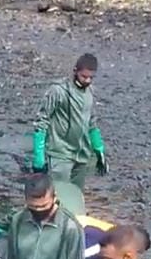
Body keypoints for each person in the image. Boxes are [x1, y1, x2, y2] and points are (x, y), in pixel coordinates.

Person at [29, 54, 107, 212]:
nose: (87, 81)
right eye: (84, 76)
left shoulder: (90, 93)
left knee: (76, 198)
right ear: (75, 71)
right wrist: (39, 156)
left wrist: (99, 150)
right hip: (60, 153)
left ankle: (75, 229)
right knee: (58, 196)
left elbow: (92, 123)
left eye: (91, 77)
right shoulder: (58, 91)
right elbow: (41, 122)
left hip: (82, 154)